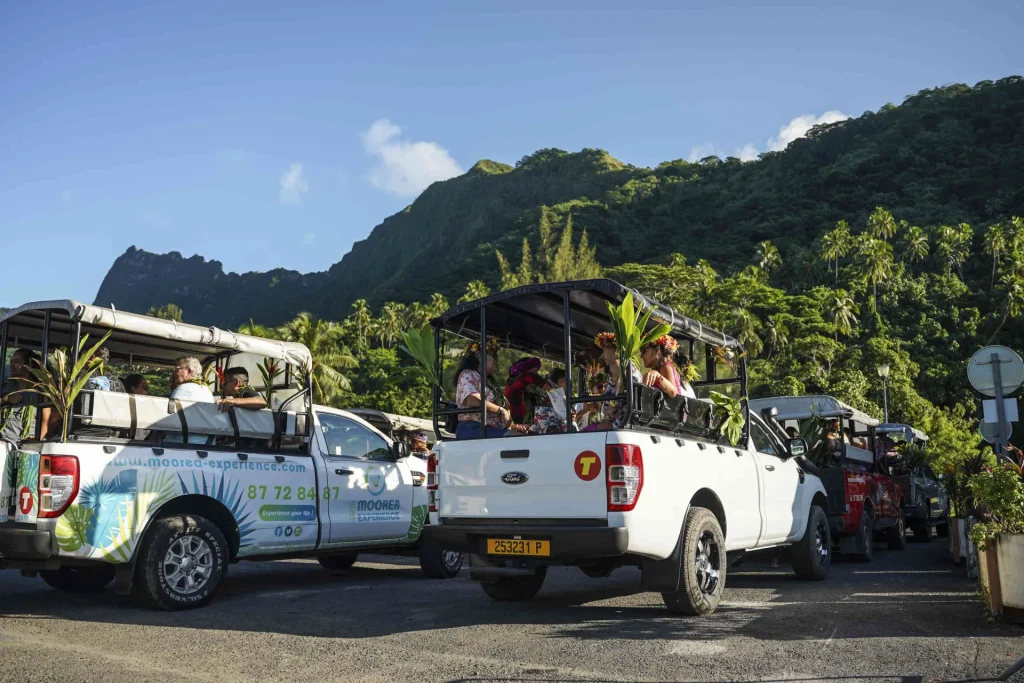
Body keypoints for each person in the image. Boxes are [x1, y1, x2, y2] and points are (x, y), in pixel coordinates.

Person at [455, 340, 526, 439]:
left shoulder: (489, 381)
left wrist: (514, 426)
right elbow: (472, 400)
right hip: (473, 428)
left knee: (527, 436)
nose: (496, 359)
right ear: (480, 356)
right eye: (493, 355)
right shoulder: (468, 374)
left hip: (492, 429)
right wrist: (501, 410)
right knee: (519, 439)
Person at [165, 356, 215, 444]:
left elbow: (168, 416)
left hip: (182, 442)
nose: (174, 373)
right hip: (206, 442)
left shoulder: (183, 389)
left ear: (189, 371)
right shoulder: (206, 389)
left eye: (177, 369)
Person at [1, 349, 39, 449]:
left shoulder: (40, 390)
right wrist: (6, 399)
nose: (12, 365)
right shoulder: (7, 386)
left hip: (27, 444)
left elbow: (46, 421)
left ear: (29, 365)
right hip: (4, 441)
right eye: (11, 361)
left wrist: (36, 443)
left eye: (16, 362)